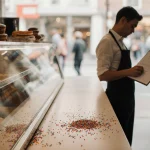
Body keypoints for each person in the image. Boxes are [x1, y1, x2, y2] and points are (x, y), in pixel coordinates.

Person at [96, 6, 144, 145]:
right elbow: (102, 75)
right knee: (117, 142)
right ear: (123, 20)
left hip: (127, 98)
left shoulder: (121, 42)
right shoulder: (107, 42)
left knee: (126, 139)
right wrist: (129, 72)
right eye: (132, 26)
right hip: (117, 100)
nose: (133, 30)